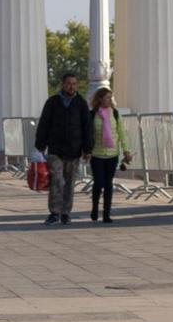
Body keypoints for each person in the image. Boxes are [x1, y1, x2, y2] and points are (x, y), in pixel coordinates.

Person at [32, 71, 91, 225]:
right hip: (56, 150)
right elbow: (44, 124)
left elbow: (87, 127)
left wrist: (87, 149)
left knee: (70, 182)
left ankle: (66, 212)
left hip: (74, 149)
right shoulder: (52, 102)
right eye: (68, 83)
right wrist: (40, 145)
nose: (71, 86)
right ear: (63, 84)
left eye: (74, 84)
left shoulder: (81, 103)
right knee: (57, 181)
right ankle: (54, 212)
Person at [85, 84, 124, 224]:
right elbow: (88, 135)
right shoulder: (92, 115)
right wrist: (87, 151)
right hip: (97, 155)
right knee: (98, 183)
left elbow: (122, 133)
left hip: (112, 155)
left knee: (108, 184)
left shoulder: (115, 113)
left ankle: (106, 214)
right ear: (100, 99)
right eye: (107, 97)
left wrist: (127, 150)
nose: (110, 100)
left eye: (111, 98)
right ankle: (95, 208)